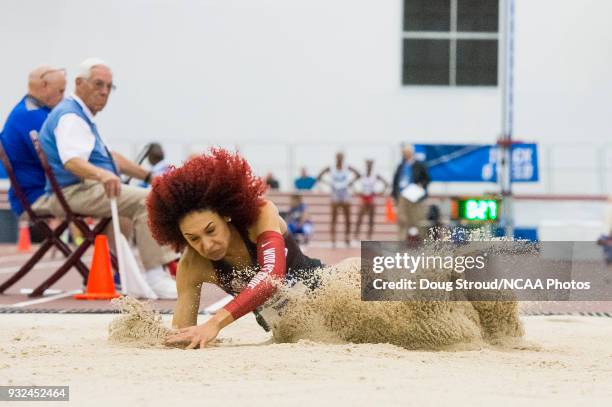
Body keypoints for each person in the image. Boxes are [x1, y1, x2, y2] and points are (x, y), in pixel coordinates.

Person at [146, 149, 324, 348]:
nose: (206, 245)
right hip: (294, 331)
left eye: (211, 230)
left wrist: (214, 323)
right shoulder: (191, 266)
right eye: (193, 239)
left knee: (362, 268)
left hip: (330, 293)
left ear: (226, 215)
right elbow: (182, 334)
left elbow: (272, 276)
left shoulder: (260, 215)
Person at [37, 58, 178, 298]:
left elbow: (111, 158)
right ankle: (155, 275)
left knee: (139, 200)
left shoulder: (81, 116)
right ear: (79, 83)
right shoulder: (70, 117)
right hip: (75, 191)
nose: (104, 92)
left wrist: (148, 175)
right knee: (151, 200)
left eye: (108, 87)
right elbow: (71, 160)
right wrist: (102, 174)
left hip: (86, 188)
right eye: (98, 84)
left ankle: (123, 274)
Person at [0, 66, 66, 216]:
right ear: (44, 86)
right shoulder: (32, 117)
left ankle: (86, 238)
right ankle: (84, 239)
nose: (63, 98)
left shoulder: (29, 112)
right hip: (37, 195)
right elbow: (60, 160)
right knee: (114, 199)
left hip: (37, 192)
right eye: (60, 91)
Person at [317, 152, 360, 247]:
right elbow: (319, 176)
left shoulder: (347, 167)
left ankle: (347, 238)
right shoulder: (331, 168)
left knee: (347, 218)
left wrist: (350, 182)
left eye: (341, 157)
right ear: (336, 158)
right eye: (338, 157)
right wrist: (328, 183)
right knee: (334, 218)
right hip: (335, 194)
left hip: (345, 194)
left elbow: (358, 174)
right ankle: (333, 239)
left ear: (343, 158)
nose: (340, 159)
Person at [392, 145, 430, 240]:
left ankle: (423, 242)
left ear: (412, 153)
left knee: (418, 220)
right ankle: (401, 242)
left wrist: (421, 185)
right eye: (404, 153)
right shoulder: (401, 166)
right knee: (402, 219)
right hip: (402, 195)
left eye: (407, 152)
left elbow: (427, 179)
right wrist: (395, 196)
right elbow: (395, 182)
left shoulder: (419, 165)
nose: (406, 154)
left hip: (415, 195)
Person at [353, 159, 388, 241]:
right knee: (360, 218)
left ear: (372, 167)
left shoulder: (375, 176)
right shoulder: (362, 176)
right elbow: (351, 183)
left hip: (372, 198)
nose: (369, 167)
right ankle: (356, 235)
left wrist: (380, 193)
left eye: (370, 165)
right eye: (367, 165)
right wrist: (357, 192)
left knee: (371, 219)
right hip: (363, 198)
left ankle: (369, 236)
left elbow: (386, 184)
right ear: (366, 166)